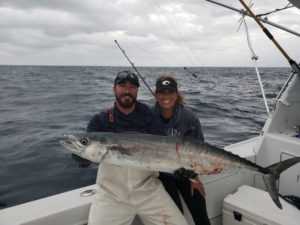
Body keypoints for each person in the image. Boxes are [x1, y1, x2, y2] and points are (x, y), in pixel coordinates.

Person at [86, 71, 188, 225]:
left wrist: (184, 170)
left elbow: (164, 151)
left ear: (137, 91)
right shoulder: (100, 120)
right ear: (114, 89)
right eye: (122, 86)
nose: (127, 90)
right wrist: (83, 157)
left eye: (132, 86)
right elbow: (88, 158)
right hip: (112, 195)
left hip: (148, 191)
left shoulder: (149, 116)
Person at [150, 74, 211, 225]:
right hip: (162, 175)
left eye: (170, 92)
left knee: (201, 217)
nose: (166, 96)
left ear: (176, 94)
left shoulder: (189, 117)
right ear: (155, 94)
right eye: (162, 92)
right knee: (175, 218)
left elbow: (200, 149)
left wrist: (194, 178)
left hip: (186, 173)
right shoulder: (148, 117)